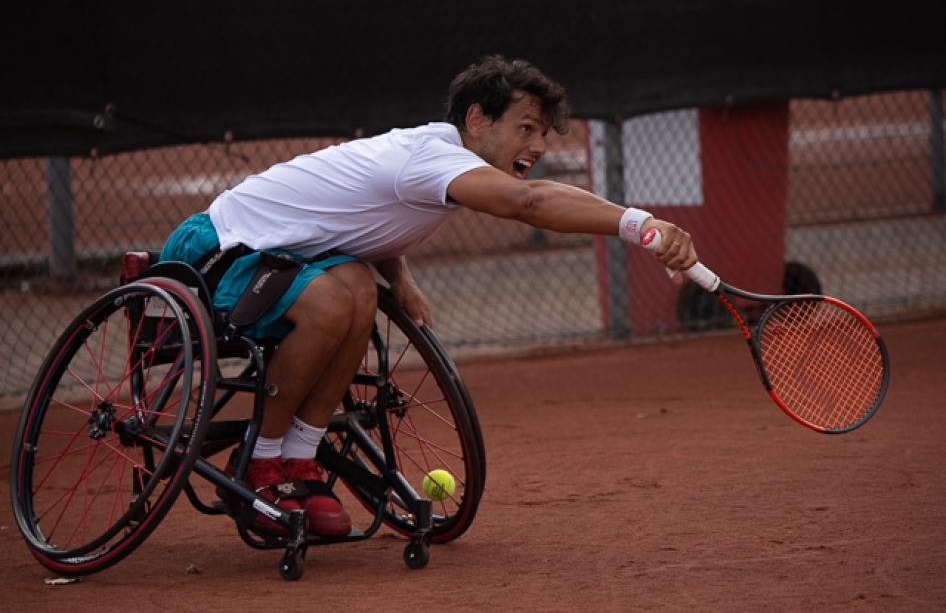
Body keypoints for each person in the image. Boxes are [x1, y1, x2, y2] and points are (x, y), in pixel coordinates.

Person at [161, 54, 698, 537]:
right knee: (330, 303)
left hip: (284, 257)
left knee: (357, 292)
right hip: (220, 247)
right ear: (476, 120)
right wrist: (640, 226)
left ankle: (299, 458)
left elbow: (363, 220)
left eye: (542, 135)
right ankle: (259, 459)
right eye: (526, 128)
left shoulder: (434, 156)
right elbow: (530, 202)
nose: (537, 146)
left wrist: (400, 277)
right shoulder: (431, 159)